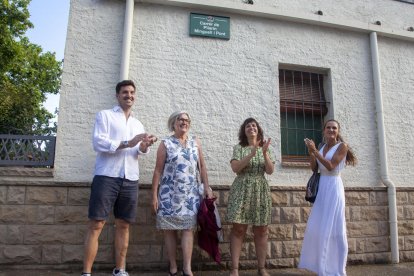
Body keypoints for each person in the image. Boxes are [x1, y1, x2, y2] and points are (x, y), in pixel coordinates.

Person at [82, 80, 157, 276]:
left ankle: (119, 270)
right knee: (96, 224)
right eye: (125, 92)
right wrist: (128, 142)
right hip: (107, 176)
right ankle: (86, 272)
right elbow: (98, 143)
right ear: (117, 95)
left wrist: (144, 146)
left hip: (130, 178)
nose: (129, 95)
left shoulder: (137, 123)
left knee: (124, 225)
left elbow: (138, 151)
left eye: (132, 92)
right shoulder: (105, 115)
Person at [151, 111, 213, 276]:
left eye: (187, 120)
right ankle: (173, 266)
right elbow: (158, 171)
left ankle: (187, 268)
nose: (184, 122)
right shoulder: (166, 144)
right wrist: (154, 195)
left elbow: (202, 167)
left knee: (188, 229)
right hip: (168, 194)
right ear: (174, 123)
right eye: (180, 119)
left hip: (190, 194)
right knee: (169, 229)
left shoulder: (195, 142)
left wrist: (206, 187)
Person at [299, 119, 357, 276]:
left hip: (333, 187)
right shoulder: (322, 146)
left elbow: (331, 166)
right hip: (322, 187)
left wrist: (315, 151)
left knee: (335, 227)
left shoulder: (342, 146)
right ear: (324, 130)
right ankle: (320, 266)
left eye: (334, 128)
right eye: (328, 127)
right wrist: (312, 151)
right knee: (319, 226)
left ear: (338, 131)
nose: (331, 130)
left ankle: (337, 268)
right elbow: (314, 167)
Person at [226, 118, 274, 276]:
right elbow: (236, 168)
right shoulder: (239, 148)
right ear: (244, 131)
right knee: (238, 229)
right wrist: (251, 154)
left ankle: (261, 268)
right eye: (248, 126)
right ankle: (234, 269)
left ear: (258, 130)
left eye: (254, 125)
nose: (251, 127)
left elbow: (270, 170)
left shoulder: (265, 148)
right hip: (241, 189)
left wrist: (264, 153)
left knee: (261, 230)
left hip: (260, 190)